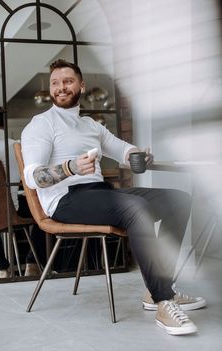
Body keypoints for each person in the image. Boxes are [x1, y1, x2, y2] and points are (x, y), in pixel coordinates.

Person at [21, 59, 206, 336]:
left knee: (178, 199)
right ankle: (163, 301)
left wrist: (138, 154)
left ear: (81, 86)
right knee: (136, 207)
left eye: (68, 81)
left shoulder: (90, 125)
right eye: (55, 83)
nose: (61, 87)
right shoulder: (42, 124)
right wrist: (69, 168)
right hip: (64, 200)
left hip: (98, 194)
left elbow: (122, 149)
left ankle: (156, 287)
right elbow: (32, 176)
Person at [0, 105, 46, 278]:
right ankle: (32, 263)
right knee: (46, 211)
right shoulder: (17, 147)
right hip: (14, 211)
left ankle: (2, 268)